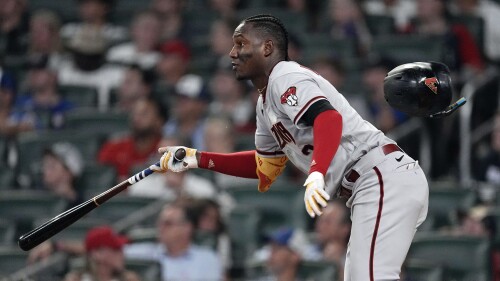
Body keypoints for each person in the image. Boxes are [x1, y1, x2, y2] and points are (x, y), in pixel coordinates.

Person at [152, 14, 429, 281]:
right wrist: (198, 159)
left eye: (241, 45)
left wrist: (317, 172)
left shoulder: (285, 75)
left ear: (268, 48)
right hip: (375, 182)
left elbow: (328, 118)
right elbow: (264, 167)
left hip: (378, 174)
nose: (232, 54)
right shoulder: (265, 105)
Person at [124, 201, 223, 281]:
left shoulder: (207, 259)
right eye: (160, 223)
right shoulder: (139, 254)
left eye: (168, 223)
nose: (161, 228)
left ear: (186, 228)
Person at [98, 97, 166, 181]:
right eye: (135, 114)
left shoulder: (165, 148)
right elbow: (100, 178)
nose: (137, 118)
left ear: (159, 121)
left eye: (144, 114)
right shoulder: (114, 146)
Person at [63, 226, 141, 281]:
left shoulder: (129, 279)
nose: (121, 254)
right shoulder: (76, 279)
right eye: (115, 249)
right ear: (97, 253)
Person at [41, 142, 85, 210]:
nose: (45, 171)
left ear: (69, 172)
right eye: (45, 166)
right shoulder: (39, 198)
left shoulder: (82, 206)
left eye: (51, 166)